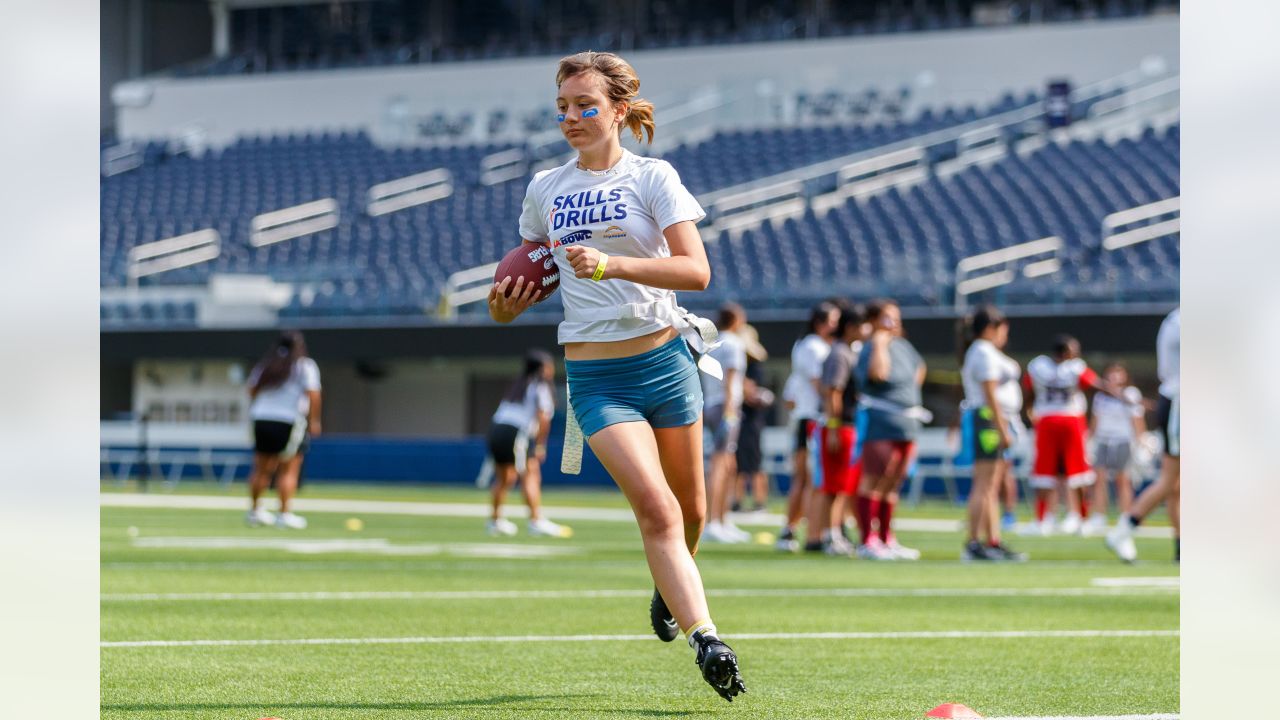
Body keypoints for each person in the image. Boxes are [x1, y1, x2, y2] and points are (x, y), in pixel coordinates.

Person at [487, 51, 745, 701]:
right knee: (657, 510)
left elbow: (697, 273)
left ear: (619, 111)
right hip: (597, 379)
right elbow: (516, 290)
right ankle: (707, 637)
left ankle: (670, 586)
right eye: (563, 107)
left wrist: (612, 266)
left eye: (585, 106)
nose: (571, 117)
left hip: (666, 363)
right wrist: (504, 303)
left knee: (693, 513)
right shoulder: (545, 188)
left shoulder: (654, 177)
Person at [1023, 335, 1132, 535]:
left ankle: (1044, 519)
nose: (1078, 354)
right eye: (1074, 350)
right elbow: (1099, 385)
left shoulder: (1038, 366)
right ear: (1066, 352)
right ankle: (1081, 519)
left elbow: (1029, 392)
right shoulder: (1075, 368)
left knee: (1047, 473)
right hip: (1070, 420)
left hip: (1047, 420)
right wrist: (1127, 398)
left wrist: (1030, 411)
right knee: (1077, 472)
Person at [852, 299, 925, 561]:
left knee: (894, 482)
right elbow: (878, 373)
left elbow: (919, 368)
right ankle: (867, 540)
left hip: (907, 423)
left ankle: (886, 537)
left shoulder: (904, 346)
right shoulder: (871, 346)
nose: (894, 323)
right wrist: (880, 342)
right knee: (874, 479)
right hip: (882, 422)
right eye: (887, 318)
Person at [1107, 307, 1179, 563]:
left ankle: (1182, 546)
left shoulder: (1175, 320)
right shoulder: (1181, 322)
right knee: (1172, 480)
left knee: (1176, 483)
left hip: (1178, 402)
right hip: (1181, 403)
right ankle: (1123, 529)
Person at [958, 306, 1028, 562]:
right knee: (985, 484)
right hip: (988, 421)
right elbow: (990, 395)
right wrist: (1001, 428)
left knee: (992, 484)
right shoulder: (983, 352)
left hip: (994, 420)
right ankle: (973, 541)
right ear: (991, 328)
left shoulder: (985, 352)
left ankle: (992, 540)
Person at [486, 349, 572, 538]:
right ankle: (536, 521)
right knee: (531, 473)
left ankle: (495, 521)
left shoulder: (517, 385)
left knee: (505, 478)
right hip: (515, 432)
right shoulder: (540, 386)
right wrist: (540, 445)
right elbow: (543, 418)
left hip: (496, 429)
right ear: (543, 368)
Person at [775, 301, 839, 552]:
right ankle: (806, 532)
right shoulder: (813, 347)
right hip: (812, 418)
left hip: (806, 417)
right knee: (809, 479)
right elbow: (818, 385)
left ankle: (793, 530)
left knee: (805, 479)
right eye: (832, 320)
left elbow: (790, 396)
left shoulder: (807, 346)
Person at [805, 303, 867, 556]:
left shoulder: (847, 351)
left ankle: (829, 534)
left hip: (845, 425)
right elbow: (833, 392)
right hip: (838, 426)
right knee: (832, 486)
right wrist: (833, 427)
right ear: (852, 327)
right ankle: (827, 535)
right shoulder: (840, 353)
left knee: (840, 486)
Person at [245, 330, 321, 530]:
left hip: (261, 418)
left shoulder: (265, 366)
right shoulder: (305, 366)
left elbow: (251, 390)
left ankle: (255, 512)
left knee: (261, 467)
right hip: (288, 420)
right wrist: (314, 421)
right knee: (288, 468)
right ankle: (284, 514)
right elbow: (313, 394)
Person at [701, 303, 750, 544]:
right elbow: (730, 379)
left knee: (727, 464)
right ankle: (714, 521)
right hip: (725, 406)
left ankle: (722, 519)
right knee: (720, 464)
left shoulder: (713, 342)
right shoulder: (734, 344)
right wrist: (731, 412)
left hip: (711, 403)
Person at [1087, 362, 1147, 535]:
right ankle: (1099, 515)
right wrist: (1089, 439)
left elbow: (1137, 419)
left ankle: (1125, 515)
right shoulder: (1101, 396)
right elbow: (1095, 420)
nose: (1114, 377)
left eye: (1118, 373)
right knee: (1099, 479)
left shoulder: (1131, 394)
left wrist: (1141, 440)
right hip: (1103, 439)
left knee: (1123, 480)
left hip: (1123, 440)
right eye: (1111, 373)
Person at [732, 324, 773, 514]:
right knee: (738, 462)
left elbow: (751, 393)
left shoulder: (754, 368)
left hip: (752, 421)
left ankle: (759, 502)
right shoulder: (739, 366)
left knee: (755, 462)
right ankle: (737, 501)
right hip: (739, 418)